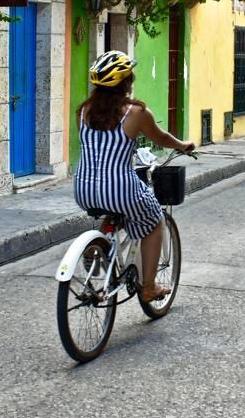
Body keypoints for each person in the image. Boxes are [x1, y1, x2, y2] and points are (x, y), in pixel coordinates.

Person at [74, 51, 195, 303]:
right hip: (119, 187)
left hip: (84, 188)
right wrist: (182, 145)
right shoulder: (136, 112)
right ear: (125, 82)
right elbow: (161, 138)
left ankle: (100, 245)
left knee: (113, 207)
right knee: (154, 221)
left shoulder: (83, 111)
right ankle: (149, 287)